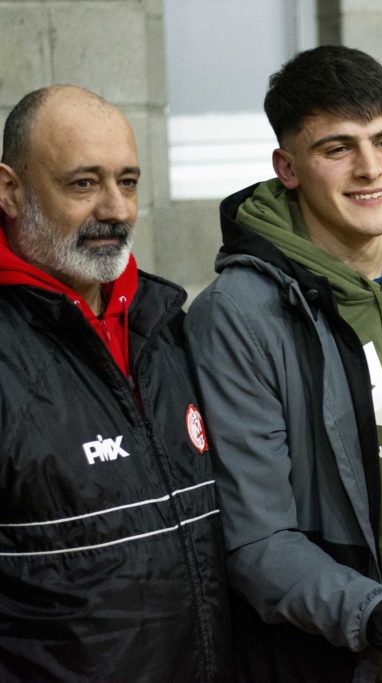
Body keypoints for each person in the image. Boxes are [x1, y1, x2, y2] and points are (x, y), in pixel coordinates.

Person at [184, 46, 382, 682]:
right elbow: (256, 540)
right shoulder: (238, 315)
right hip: (351, 661)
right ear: (287, 167)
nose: (370, 168)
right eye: (338, 148)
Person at [0, 85, 230, 680]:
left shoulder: (166, 325)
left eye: (127, 182)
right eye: (84, 183)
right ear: (10, 191)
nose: (117, 209)